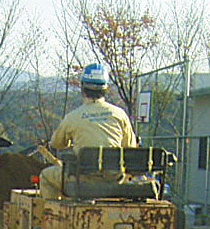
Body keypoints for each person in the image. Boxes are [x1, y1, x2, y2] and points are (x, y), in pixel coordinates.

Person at [39, 63, 137, 199]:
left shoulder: (73, 117)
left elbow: (56, 144)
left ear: (82, 87)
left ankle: (51, 215)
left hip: (83, 180)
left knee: (45, 176)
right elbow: (130, 148)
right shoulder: (119, 114)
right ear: (105, 88)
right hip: (114, 179)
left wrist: (68, 142)